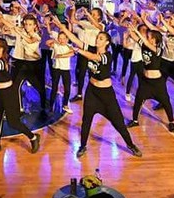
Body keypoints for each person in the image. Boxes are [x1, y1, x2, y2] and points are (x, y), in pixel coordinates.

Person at [54, 18, 142, 158]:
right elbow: (76, 40)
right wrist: (62, 27)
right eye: (97, 37)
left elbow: (93, 57)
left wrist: (77, 50)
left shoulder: (107, 55)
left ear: (106, 42)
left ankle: (131, 144)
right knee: (86, 120)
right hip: (92, 92)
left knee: (118, 123)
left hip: (106, 95)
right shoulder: (92, 48)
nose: (97, 40)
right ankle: (82, 146)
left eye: (100, 38)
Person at [0, 38, 40, 154]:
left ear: (1, 49)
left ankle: (33, 137)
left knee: (13, 122)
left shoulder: (2, 62)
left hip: (8, 93)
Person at [125, 23, 174, 133]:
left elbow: (146, 43)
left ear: (154, 40)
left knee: (166, 102)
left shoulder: (158, 49)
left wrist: (138, 32)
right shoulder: (144, 45)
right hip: (146, 81)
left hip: (157, 83)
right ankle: (135, 120)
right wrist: (130, 29)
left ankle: (172, 122)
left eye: (149, 37)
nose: (146, 37)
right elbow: (135, 37)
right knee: (138, 100)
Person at [47, 30, 75, 114]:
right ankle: (51, 106)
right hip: (56, 68)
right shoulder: (56, 45)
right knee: (54, 88)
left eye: (64, 38)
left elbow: (72, 53)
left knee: (67, 88)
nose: (62, 40)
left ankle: (65, 105)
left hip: (65, 69)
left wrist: (60, 56)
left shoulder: (69, 46)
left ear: (67, 39)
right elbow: (47, 43)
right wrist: (55, 40)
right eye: (60, 38)